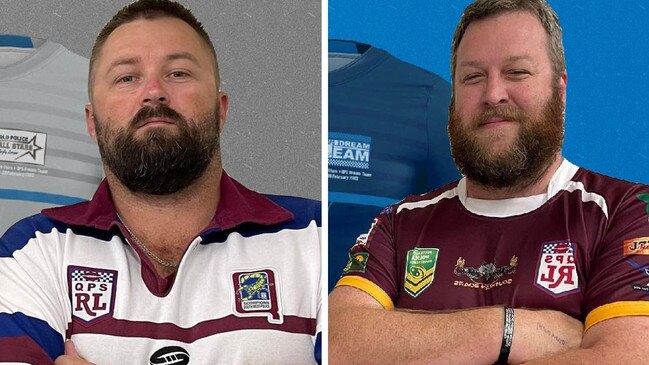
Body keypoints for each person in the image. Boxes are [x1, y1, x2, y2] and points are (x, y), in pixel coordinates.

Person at [0, 1, 321, 364]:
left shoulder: (316, 239)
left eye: (178, 73)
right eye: (127, 77)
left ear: (221, 110)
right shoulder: (32, 251)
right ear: (92, 122)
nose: (154, 91)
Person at [329, 0, 649, 364]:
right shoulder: (400, 221)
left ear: (560, 90)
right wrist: (509, 330)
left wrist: (411, 342)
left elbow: (629, 356)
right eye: (473, 77)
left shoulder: (627, 210)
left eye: (516, 72)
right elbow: (338, 343)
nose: (493, 94)